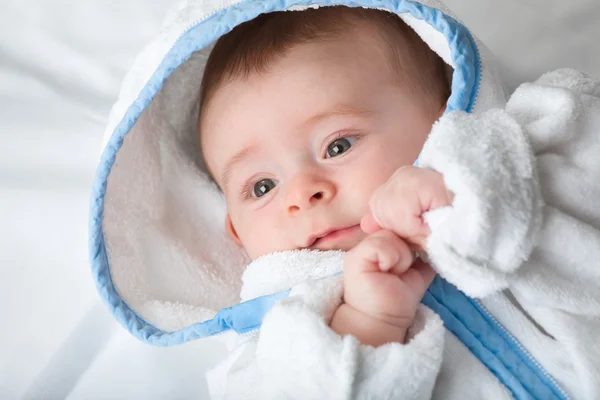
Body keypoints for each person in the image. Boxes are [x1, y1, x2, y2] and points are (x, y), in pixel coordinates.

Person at [90, 2, 600, 399]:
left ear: (446, 109)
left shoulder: (535, 143)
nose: (303, 193)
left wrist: (476, 183)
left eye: (338, 145)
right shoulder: (275, 339)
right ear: (236, 234)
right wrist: (366, 326)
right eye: (261, 187)